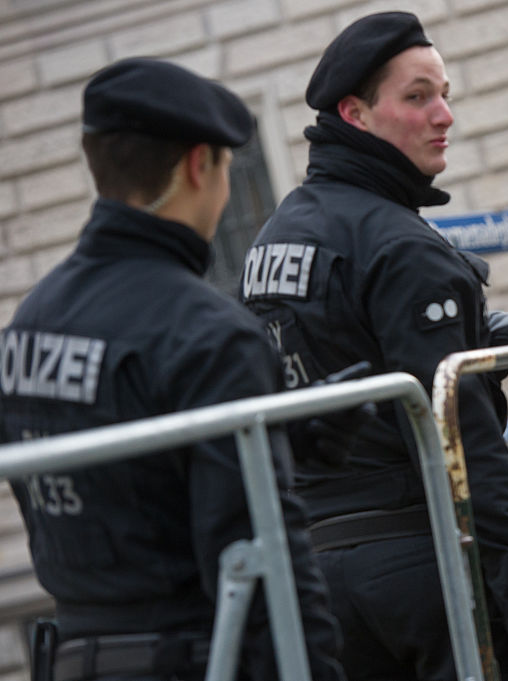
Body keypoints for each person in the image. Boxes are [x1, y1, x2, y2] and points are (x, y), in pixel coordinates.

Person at [238, 11, 508, 681]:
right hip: (425, 566)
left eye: (444, 93)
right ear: (355, 113)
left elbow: (343, 343)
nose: (444, 115)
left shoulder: (274, 237)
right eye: (418, 97)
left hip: (319, 582)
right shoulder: (404, 248)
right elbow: (470, 456)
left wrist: (480, 333)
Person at [0, 58, 344, 681]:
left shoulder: (32, 319)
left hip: (75, 654)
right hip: (193, 656)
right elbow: (261, 559)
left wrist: (286, 434)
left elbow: (119, 477)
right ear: (197, 166)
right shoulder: (208, 333)